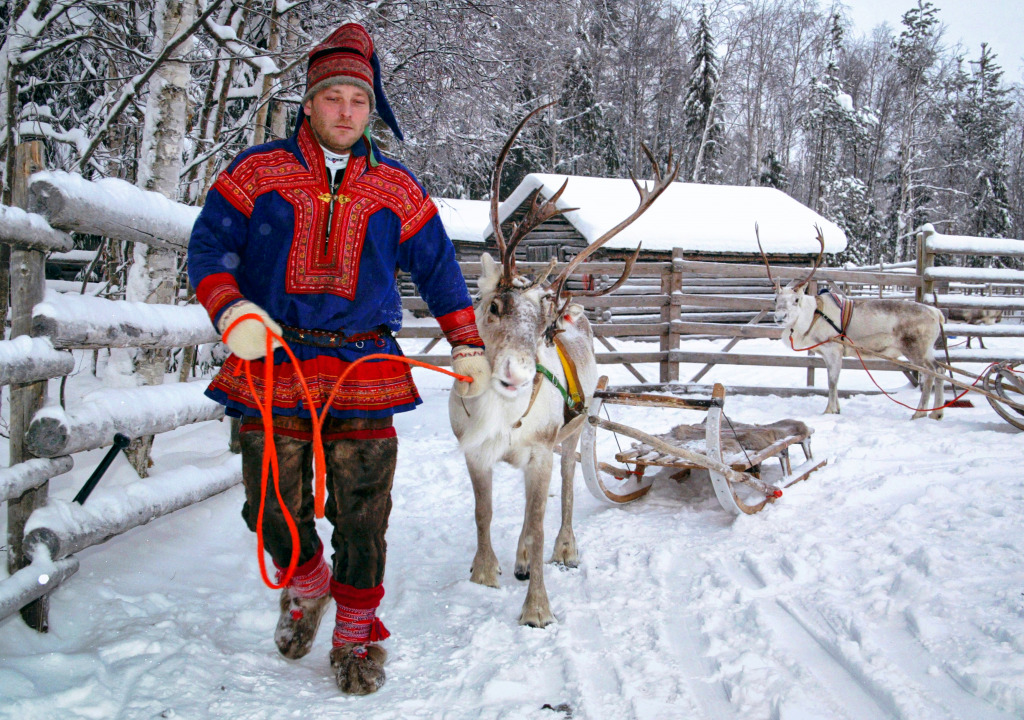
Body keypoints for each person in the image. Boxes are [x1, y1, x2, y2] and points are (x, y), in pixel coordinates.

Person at [187, 22, 489, 695]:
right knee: (267, 501)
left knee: (363, 508)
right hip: (274, 357)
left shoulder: (398, 189)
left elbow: (439, 269)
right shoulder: (255, 173)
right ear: (310, 101)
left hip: (365, 364)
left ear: (369, 107)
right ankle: (307, 580)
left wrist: (467, 342)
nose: (346, 111)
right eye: (333, 98)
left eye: (358, 99)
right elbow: (207, 250)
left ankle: (356, 628)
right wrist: (231, 309)